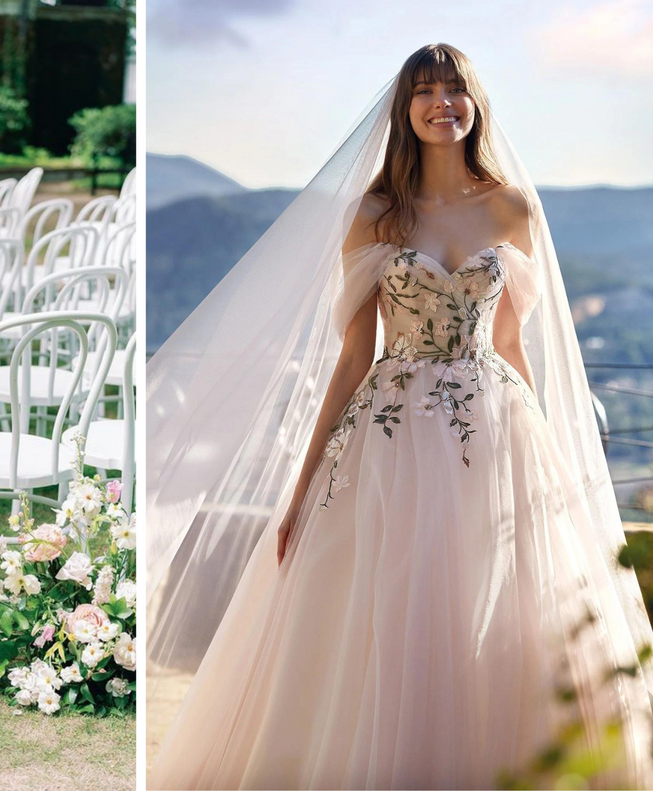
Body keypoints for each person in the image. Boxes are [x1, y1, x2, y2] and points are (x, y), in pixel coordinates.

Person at [146, 43, 653, 790]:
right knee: (379, 610)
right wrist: (302, 482)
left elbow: (511, 342)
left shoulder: (512, 207)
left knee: (490, 605)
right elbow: (354, 357)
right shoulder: (375, 214)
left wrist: (547, 452)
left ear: (475, 104)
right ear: (404, 110)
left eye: (455, 88)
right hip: (387, 434)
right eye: (425, 89)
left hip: (493, 431)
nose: (441, 101)